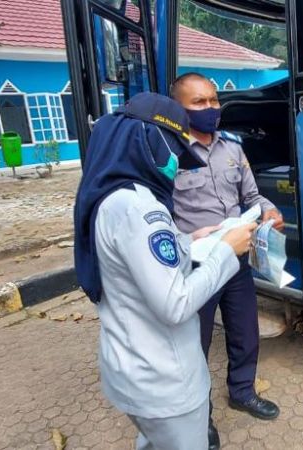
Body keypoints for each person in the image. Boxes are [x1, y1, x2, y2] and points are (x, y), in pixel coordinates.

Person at [74, 92, 257, 450]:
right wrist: (225, 251)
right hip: (164, 383)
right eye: (174, 149)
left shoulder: (113, 198)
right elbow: (175, 303)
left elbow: (139, 261)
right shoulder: (142, 210)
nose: (177, 162)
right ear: (150, 140)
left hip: (132, 372)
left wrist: (191, 240)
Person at [169, 73, 284, 443]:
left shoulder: (233, 147)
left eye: (214, 101)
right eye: (198, 103)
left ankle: (243, 392)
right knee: (194, 346)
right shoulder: (168, 154)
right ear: (179, 108)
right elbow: (155, 218)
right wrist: (187, 239)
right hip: (196, 265)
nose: (210, 109)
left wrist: (269, 211)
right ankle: (198, 417)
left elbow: (251, 196)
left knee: (245, 330)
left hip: (234, 260)